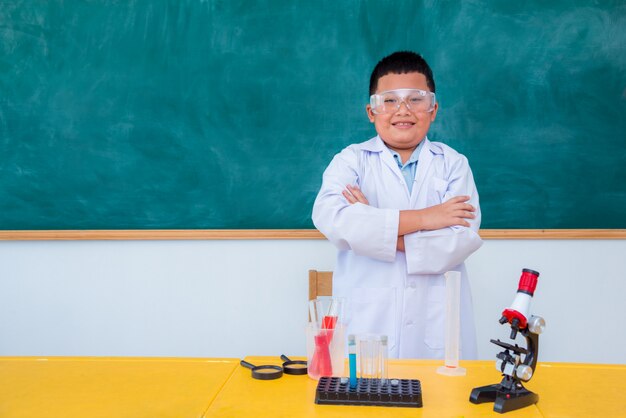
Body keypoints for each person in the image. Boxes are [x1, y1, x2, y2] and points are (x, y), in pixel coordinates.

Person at [312, 51, 482, 359]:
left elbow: (460, 241)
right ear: (371, 111)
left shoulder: (453, 165)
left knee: (442, 404)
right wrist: (430, 217)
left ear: (433, 109)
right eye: (389, 100)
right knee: (364, 400)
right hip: (367, 325)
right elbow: (335, 222)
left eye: (416, 99)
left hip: (437, 328)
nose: (403, 110)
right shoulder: (350, 161)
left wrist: (373, 222)